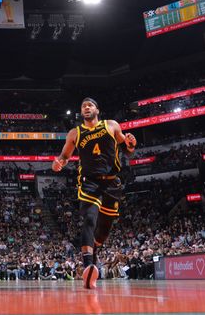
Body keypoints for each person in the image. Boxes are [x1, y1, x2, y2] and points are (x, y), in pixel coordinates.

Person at [51, 98, 136, 289]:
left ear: (97, 109)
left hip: (111, 183)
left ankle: (94, 257)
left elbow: (127, 151)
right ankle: (88, 265)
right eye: (83, 106)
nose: (86, 108)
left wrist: (131, 144)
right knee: (89, 220)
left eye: (90, 105)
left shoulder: (112, 126)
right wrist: (58, 163)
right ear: (81, 113)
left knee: (104, 231)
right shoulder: (75, 133)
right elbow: (64, 156)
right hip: (88, 182)